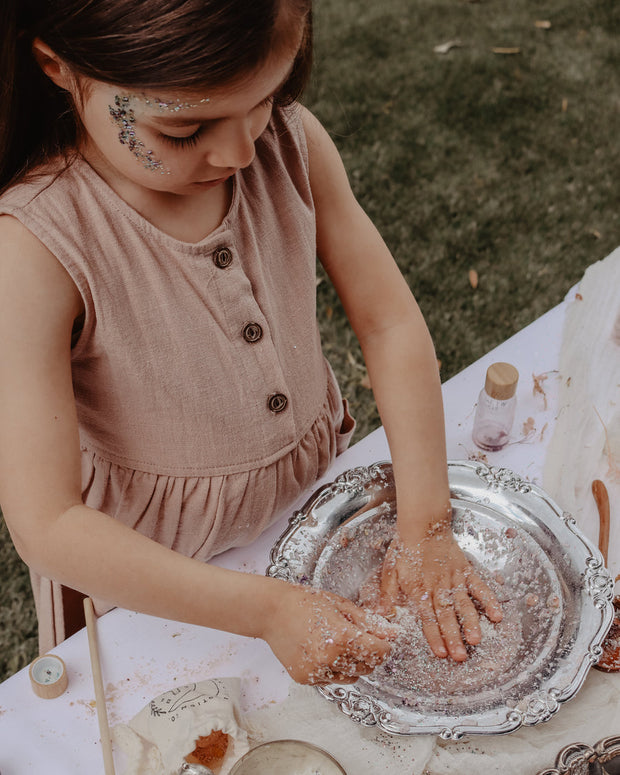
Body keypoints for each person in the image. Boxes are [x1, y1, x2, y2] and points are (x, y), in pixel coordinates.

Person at [0, 0, 501, 685]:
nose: (241, 151)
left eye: (269, 96)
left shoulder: (291, 144)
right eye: (183, 128)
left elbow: (389, 324)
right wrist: (265, 611)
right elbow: (47, 521)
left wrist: (426, 523)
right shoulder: (32, 252)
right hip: (147, 582)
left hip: (310, 504)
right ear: (59, 66)